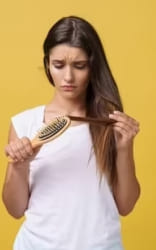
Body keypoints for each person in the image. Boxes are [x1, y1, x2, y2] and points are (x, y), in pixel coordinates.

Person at [2, 16, 140, 250]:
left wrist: (125, 147)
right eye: (58, 65)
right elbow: (14, 210)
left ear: (92, 66)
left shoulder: (108, 124)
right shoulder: (25, 123)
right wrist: (19, 165)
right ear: (47, 64)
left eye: (79, 66)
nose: (68, 77)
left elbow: (125, 206)